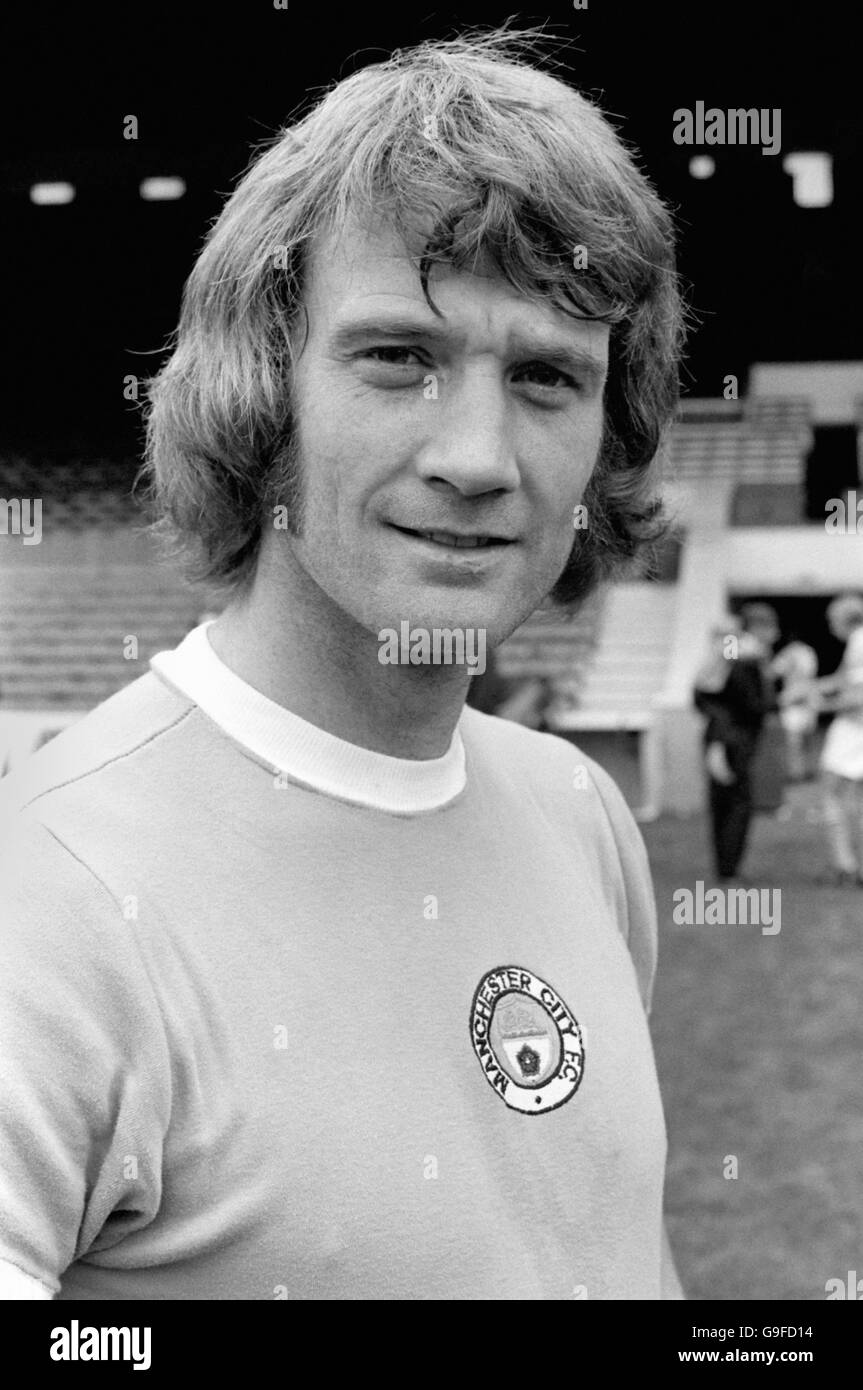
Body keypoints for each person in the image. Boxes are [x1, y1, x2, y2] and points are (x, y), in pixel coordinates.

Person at [0, 29, 686, 1300]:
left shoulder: (580, 816)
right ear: (264, 392)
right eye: (398, 359)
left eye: (545, 377)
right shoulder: (52, 894)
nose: (475, 456)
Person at [694, 606, 778, 881]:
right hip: (731, 739)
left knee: (725, 803)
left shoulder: (731, 655)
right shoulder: (739, 654)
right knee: (735, 804)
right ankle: (729, 869)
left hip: (723, 737)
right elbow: (749, 699)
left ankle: (726, 868)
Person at [815, 593, 863, 886]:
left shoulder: (859, 642)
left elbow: (857, 695)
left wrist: (819, 705)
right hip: (854, 728)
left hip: (853, 730)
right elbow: (844, 679)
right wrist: (815, 687)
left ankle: (845, 864)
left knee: (832, 793)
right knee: (853, 799)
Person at [770, 632, 819, 782]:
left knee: (796, 741)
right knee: (802, 740)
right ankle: (804, 771)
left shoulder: (793, 652)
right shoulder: (807, 651)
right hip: (804, 698)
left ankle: (798, 772)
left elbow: (772, 673)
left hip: (797, 698)